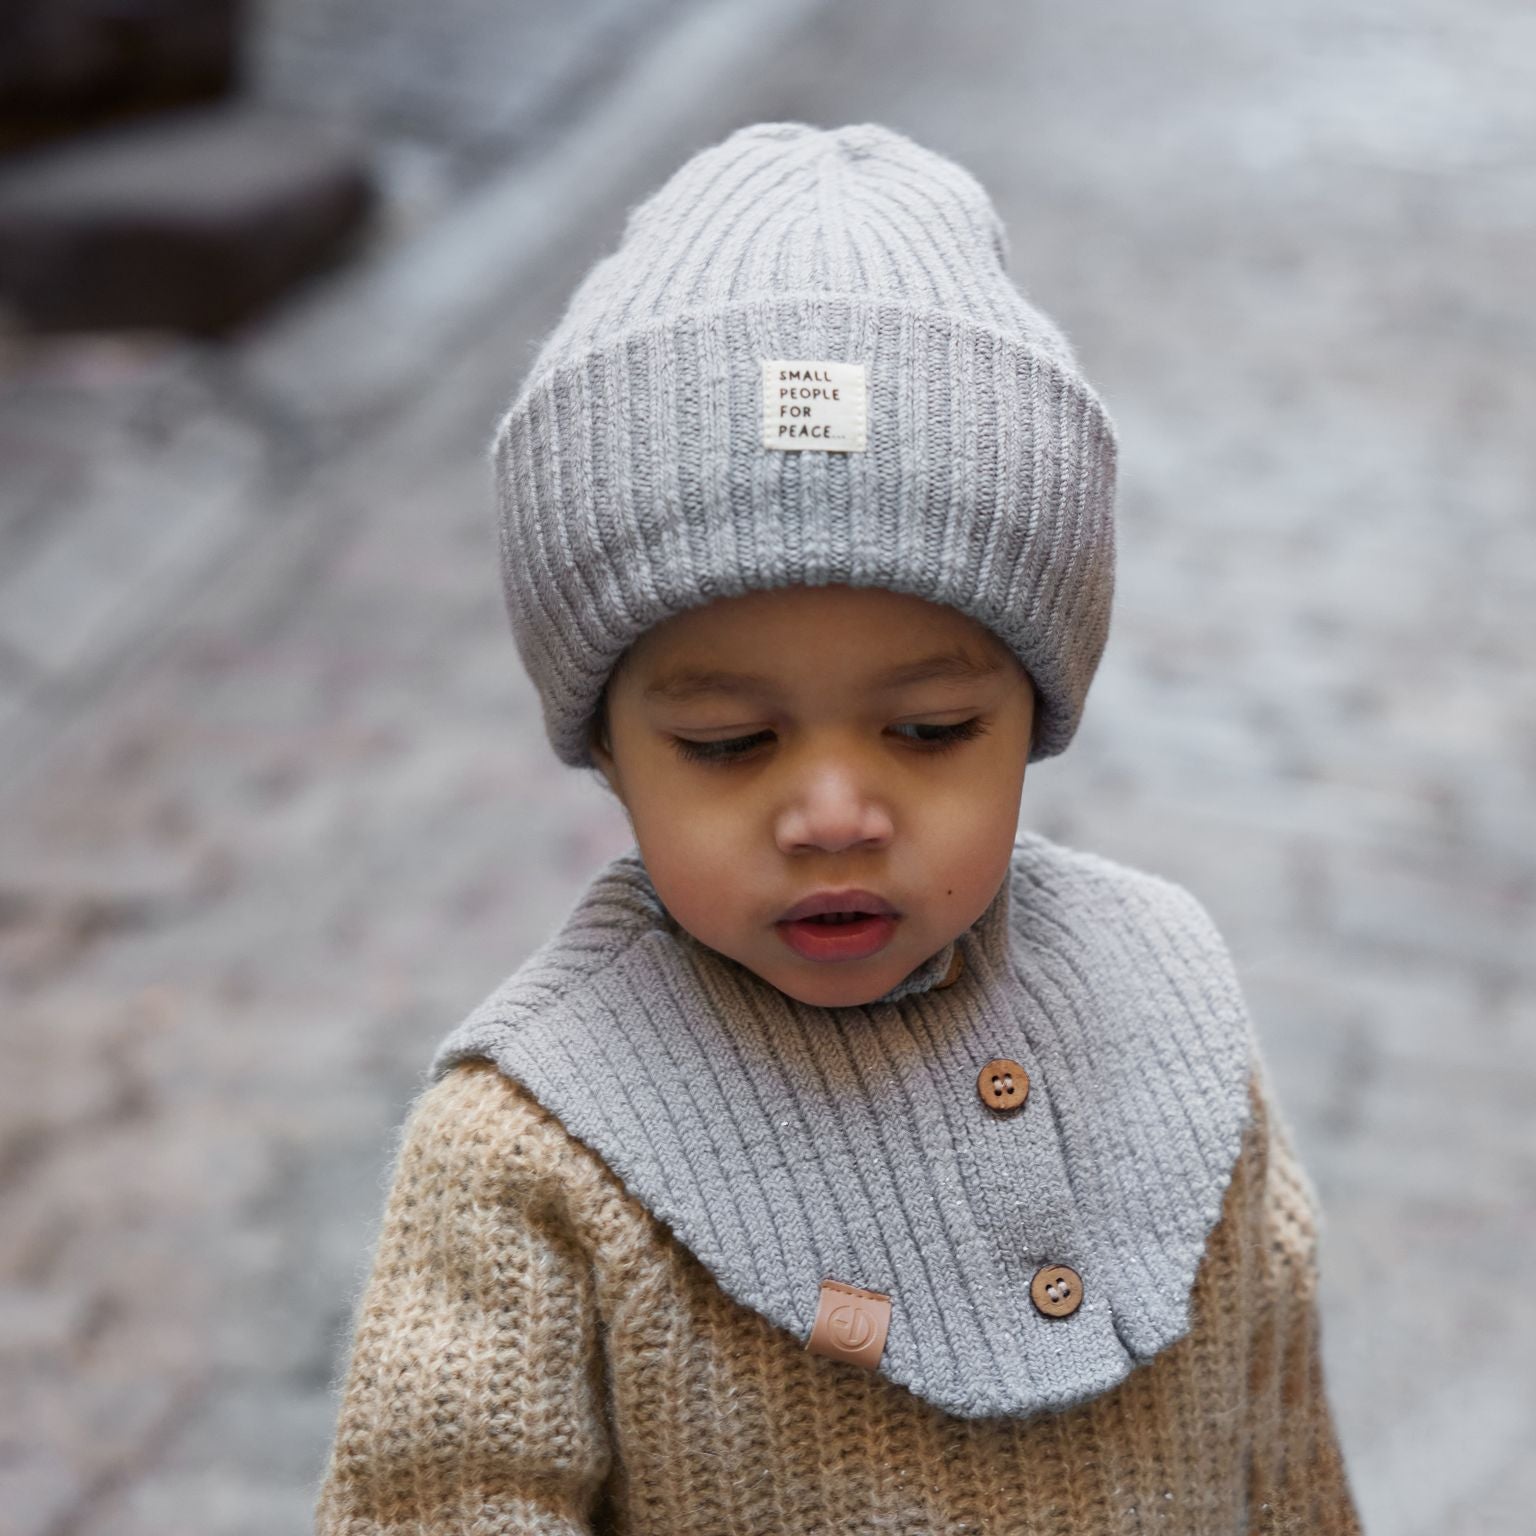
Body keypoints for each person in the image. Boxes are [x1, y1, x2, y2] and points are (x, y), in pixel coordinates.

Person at [312, 121, 1362, 1534]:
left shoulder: (1166, 1013)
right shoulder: (534, 1153)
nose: (833, 815)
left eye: (930, 730)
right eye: (727, 744)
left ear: (1037, 710)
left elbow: (1284, 1456)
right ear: (608, 749)